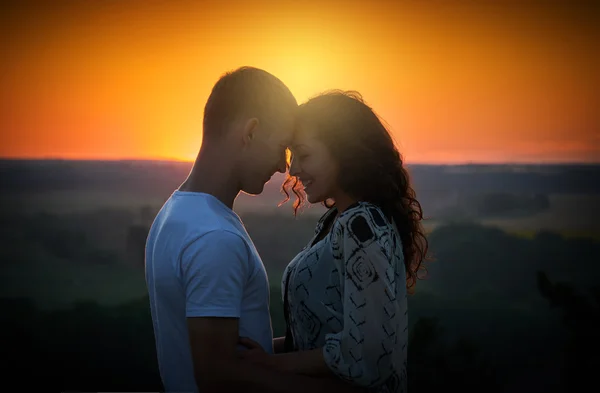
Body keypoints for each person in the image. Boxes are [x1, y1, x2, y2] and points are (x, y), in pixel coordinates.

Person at [145, 68, 368, 393]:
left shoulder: (175, 213)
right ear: (250, 132)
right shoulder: (214, 237)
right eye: (281, 147)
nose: (282, 166)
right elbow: (217, 374)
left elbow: (232, 350)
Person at [238, 90, 429, 393]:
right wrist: (253, 351)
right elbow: (320, 334)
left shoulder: (360, 225)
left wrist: (271, 365)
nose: (293, 169)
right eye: (292, 155)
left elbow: (365, 355)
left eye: (304, 154)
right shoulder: (340, 221)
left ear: (343, 151)